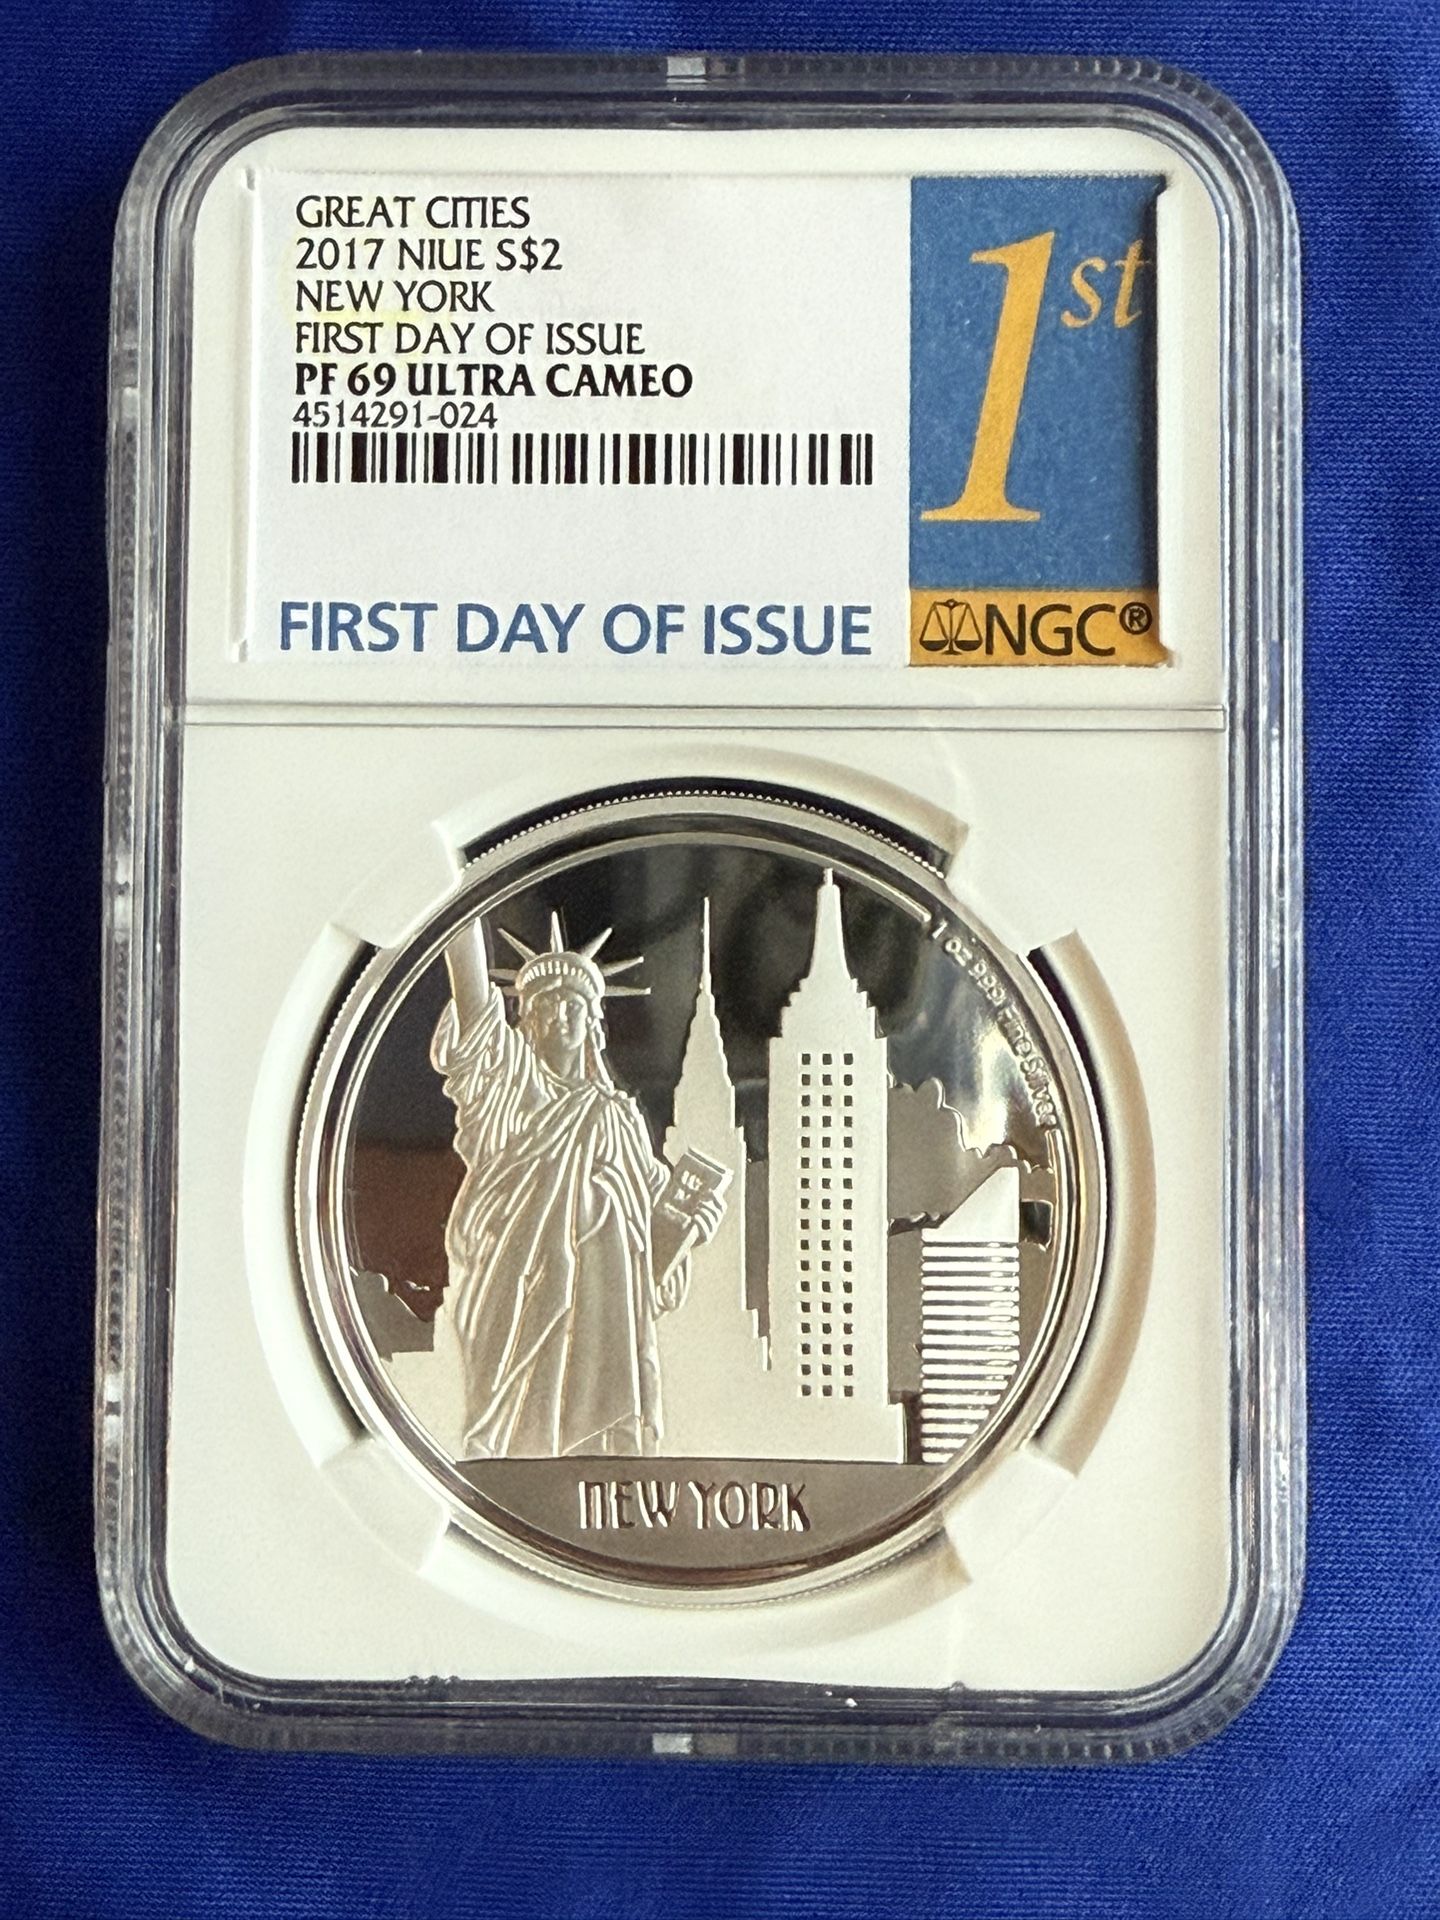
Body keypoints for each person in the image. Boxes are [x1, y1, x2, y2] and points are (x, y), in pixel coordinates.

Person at [429, 912, 723, 1459]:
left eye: (574, 1005)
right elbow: (473, 1000)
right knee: (520, 1428)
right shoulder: (510, 1087)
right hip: (522, 1287)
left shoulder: (619, 1117)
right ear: (527, 1019)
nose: (560, 1014)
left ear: (593, 1023)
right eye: (546, 1005)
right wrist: (453, 902)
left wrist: (688, 1229)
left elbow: (652, 1248)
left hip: (608, 1314)